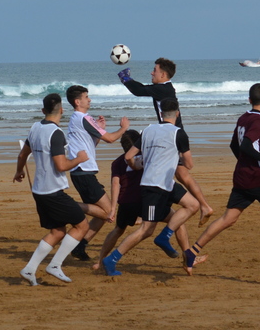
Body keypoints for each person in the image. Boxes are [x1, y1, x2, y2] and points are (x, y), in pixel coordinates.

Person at [186, 84, 260, 277]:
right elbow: (244, 145)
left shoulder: (244, 117)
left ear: (250, 100)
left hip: (242, 176)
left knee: (228, 219)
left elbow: (233, 145)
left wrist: (244, 163)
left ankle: (192, 252)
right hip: (257, 178)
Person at [100, 98, 200, 276]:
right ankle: (112, 259)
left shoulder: (148, 130)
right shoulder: (179, 133)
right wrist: (173, 157)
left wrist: (137, 165)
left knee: (193, 205)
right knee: (146, 229)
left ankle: (166, 236)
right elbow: (189, 164)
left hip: (166, 183)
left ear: (161, 114)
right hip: (154, 185)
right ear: (177, 114)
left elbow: (128, 156)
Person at [118, 57, 213, 225]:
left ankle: (145, 207)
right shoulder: (164, 88)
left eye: (154, 70)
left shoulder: (162, 89)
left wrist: (125, 79)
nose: (151, 73)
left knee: (173, 172)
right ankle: (204, 206)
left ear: (163, 75)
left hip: (171, 136)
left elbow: (138, 90)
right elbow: (142, 89)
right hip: (172, 134)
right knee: (182, 174)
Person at [13, 93, 92, 285]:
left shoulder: (35, 127)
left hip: (39, 191)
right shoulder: (56, 133)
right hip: (52, 192)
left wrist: (19, 171)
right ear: (62, 110)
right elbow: (61, 166)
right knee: (82, 226)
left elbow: (22, 155)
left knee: (57, 231)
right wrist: (79, 159)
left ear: (43, 110)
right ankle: (55, 265)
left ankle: (29, 269)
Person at [64, 85, 129, 261]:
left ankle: (80, 246)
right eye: (86, 97)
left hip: (82, 172)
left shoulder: (77, 119)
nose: (89, 99)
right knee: (108, 213)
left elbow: (89, 145)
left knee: (101, 215)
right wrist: (123, 128)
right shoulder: (84, 118)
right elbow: (110, 139)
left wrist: (97, 131)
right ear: (77, 102)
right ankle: (67, 206)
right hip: (83, 173)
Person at [91, 129, 143, 270]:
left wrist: (113, 209)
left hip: (126, 201)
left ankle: (100, 261)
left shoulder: (118, 162)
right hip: (143, 199)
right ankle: (188, 255)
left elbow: (115, 185)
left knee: (118, 230)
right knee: (174, 219)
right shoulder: (146, 156)